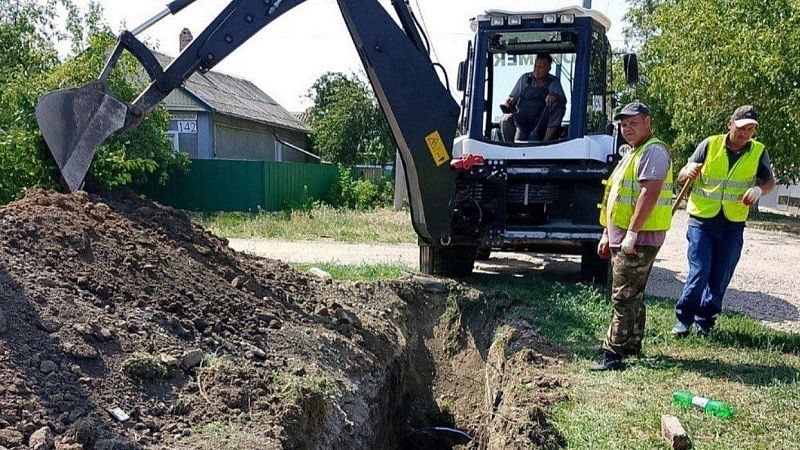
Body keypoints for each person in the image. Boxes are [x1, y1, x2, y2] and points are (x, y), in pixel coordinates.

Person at [672, 105, 775, 338]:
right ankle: (683, 320)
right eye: (740, 128)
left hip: (733, 224)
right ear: (730, 124)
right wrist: (687, 172)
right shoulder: (710, 144)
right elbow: (681, 176)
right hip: (702, 221)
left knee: (720, 277)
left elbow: (769, 182)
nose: (744, 133)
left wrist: (759, 190)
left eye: (750, 129)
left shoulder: (758, 151)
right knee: (700, 272)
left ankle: (705, 322)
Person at [591, 102, 674, 371]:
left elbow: (648, 193)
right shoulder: (633, 153)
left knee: (623, 296)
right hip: (623, 235)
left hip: (638, 237)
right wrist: (607, 232)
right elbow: (615, 196)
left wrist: (632, 234)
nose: (627, 129)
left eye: (633, 123)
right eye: (624, 125)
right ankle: (631, 345)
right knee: (633, 294)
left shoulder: (653, 151)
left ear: (647, 122)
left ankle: (612, 353)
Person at [499, 54, 566, 142]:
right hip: (522, 121)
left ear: (548, 68)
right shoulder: (525, 79)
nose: (536, 70)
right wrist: (509, 100)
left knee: (558, 105)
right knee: (506, 119)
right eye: (535, 66)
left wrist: (555, 97)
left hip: (541, 123)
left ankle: (544, 144)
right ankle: (509, 149)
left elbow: (562, 100)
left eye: (540, 67)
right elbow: (513, 96)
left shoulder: (553, 82)